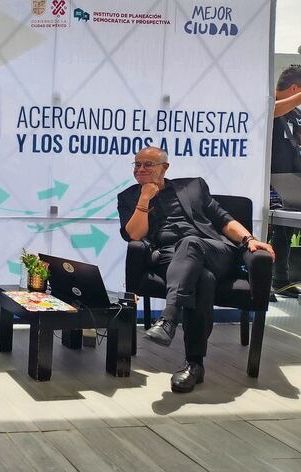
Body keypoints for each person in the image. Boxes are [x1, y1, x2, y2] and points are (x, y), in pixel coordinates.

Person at [117, 146, 274, 393]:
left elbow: (223, 219)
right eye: (137, 164)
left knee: (191, 243)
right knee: (202, 279)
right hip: (172, 258)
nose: (140, 169)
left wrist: (248, 240)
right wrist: (144, 199)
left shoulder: (192, 186)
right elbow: (134, 235)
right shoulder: (128, 197)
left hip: (214, 251)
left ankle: (169, 317)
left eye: (148, 164)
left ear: (164, 168)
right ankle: (194, 364)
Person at [269, 65, 301, 297]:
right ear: (294, 88)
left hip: (290, 181)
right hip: (265, 180)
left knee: (286, 229)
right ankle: (260, 278)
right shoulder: (267, 102)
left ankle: (280, 278)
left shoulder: (295, 115)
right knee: (266, 227)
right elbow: (271, 111)